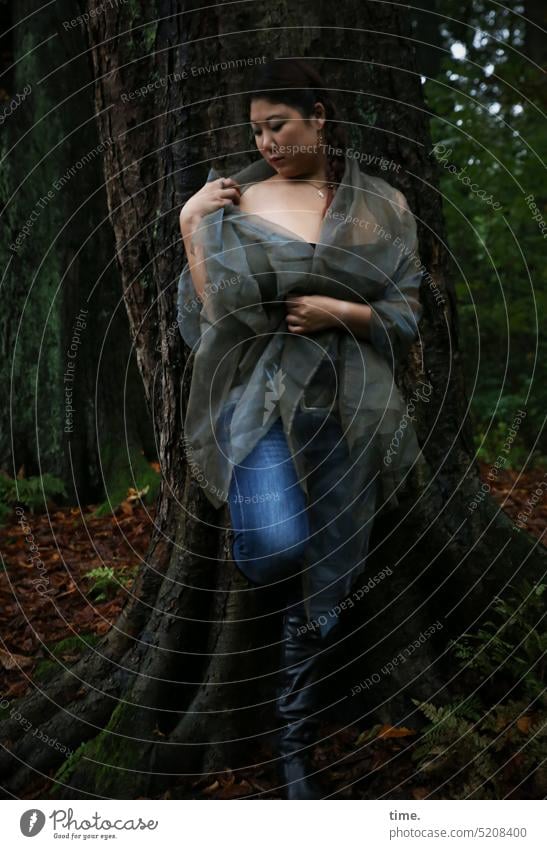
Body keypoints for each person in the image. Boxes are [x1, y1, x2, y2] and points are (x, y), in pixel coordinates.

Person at [178, 58, 425, 799]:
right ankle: (287, 722)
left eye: (278, 125)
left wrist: (338, 313)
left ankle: (293, 741)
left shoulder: (378, 204)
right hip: (261, 403)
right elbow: (211, 314)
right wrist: (192, 224)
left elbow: (405, 314)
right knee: (277, 547)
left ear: (319, 116)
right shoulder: (232, 200)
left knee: (335, 570)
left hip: (351, 408)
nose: (266, 142)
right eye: (255, 129)